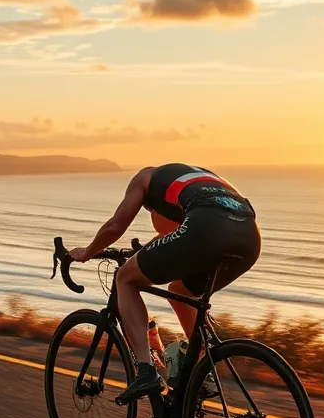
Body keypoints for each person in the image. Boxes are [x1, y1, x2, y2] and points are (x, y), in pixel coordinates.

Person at [69, 163, 261, 405]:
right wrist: (149, 251)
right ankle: (203, 371)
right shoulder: (198, 177)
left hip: (206, 227)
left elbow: (115, 226)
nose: (151, 213)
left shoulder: (144, 178)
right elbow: (176, 232)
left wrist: (87, 252)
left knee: (126, 279)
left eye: (148, 210)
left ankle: (147, 371)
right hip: (250, 237)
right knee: (179, 292)